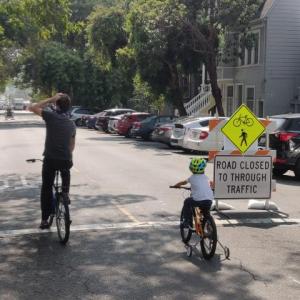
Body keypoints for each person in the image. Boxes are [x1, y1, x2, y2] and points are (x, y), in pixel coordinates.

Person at [28, 93, 76, 229]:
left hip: (50, 159)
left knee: (46, 188)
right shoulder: (72, 124)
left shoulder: (51, 116)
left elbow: (31, 107)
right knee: (66, 169)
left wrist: (51, 99)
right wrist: (65, 155)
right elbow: (72, 146)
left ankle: (44, 220)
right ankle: (65, 194)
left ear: (56, 104)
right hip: (65, 159)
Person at [172, 157, 213, 228]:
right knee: (206, 213)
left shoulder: (192, 177)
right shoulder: (206, 177)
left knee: (187, 201)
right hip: (209, 200)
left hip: (197, 200)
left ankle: (186, 221)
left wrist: (176, 185)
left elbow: (183, 182)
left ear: (191, 169)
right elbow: (210, 184)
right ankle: (208, 228)